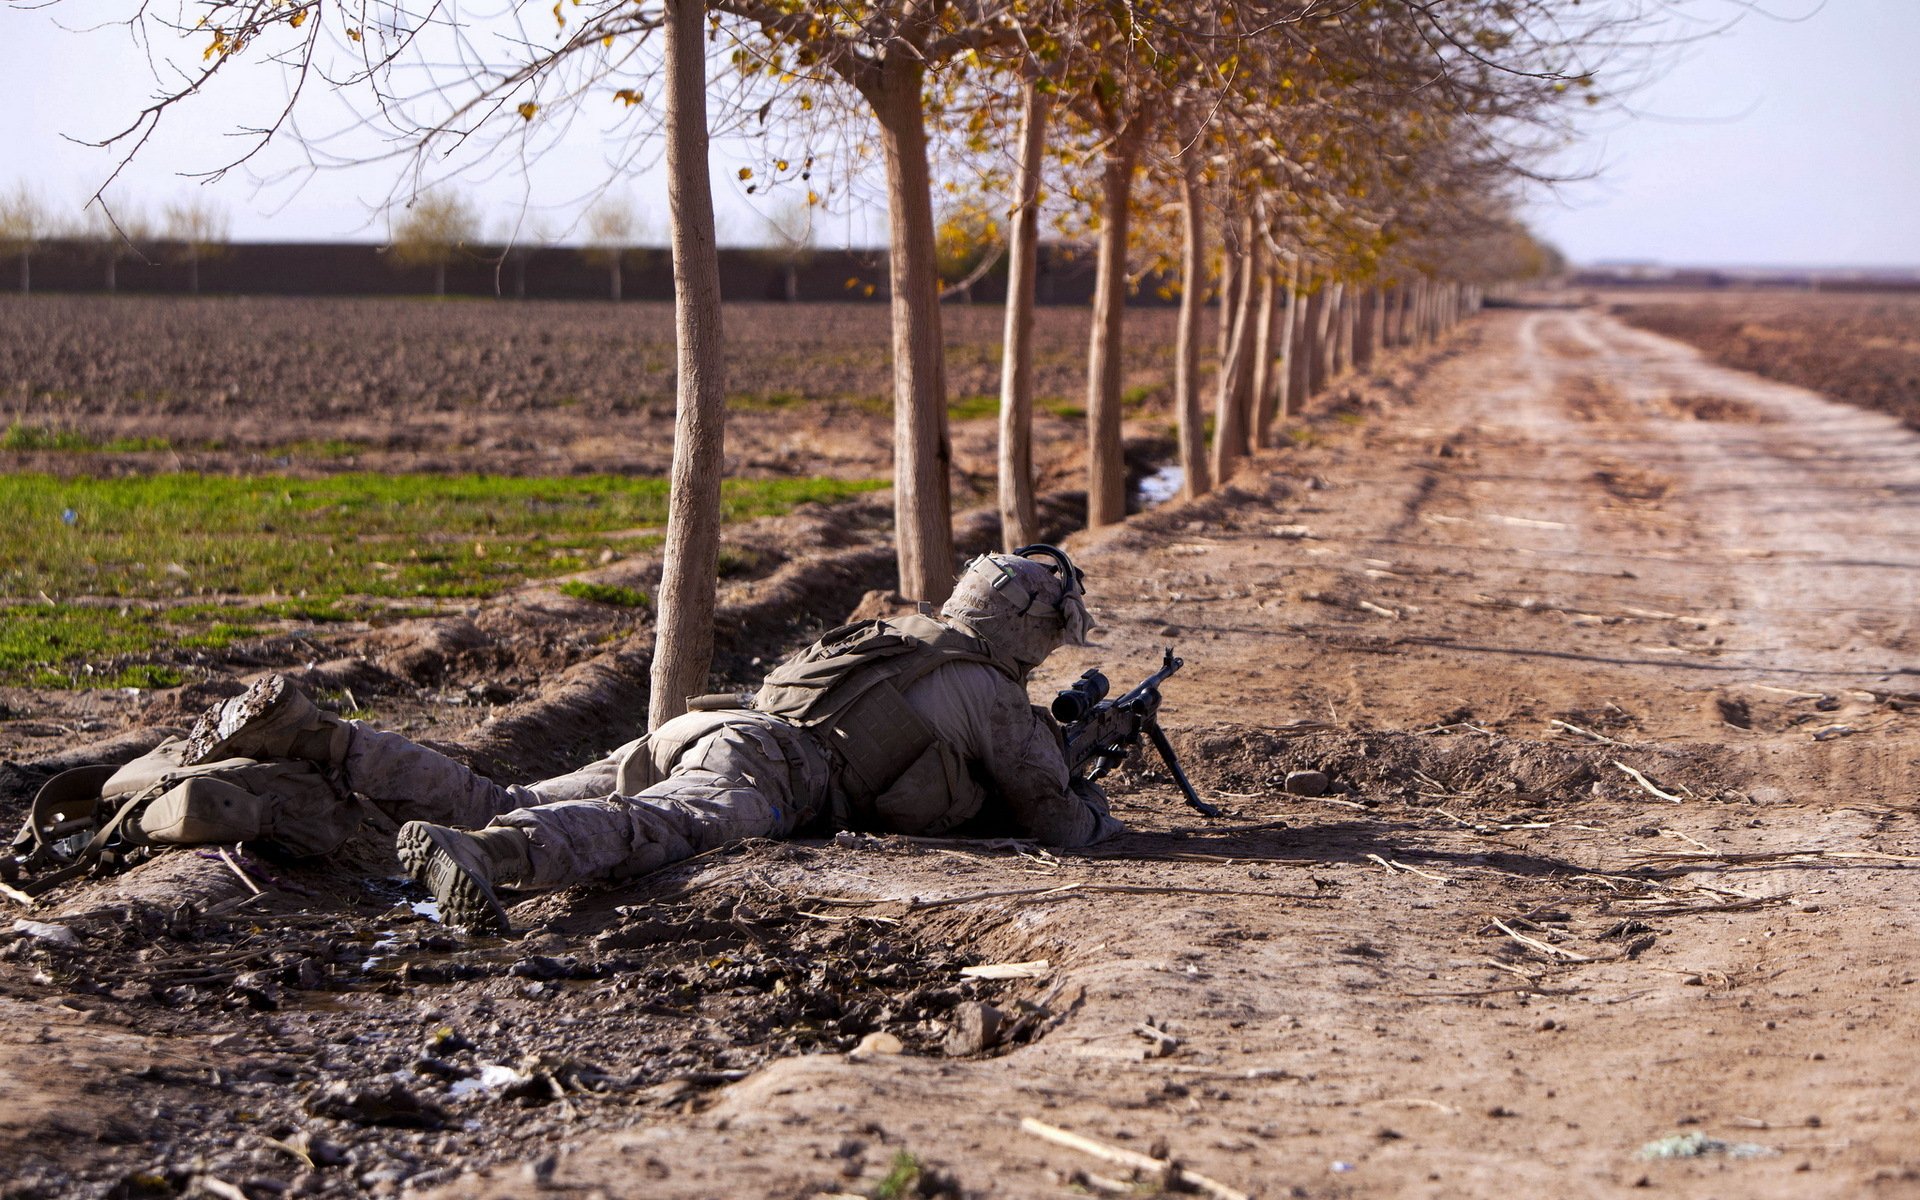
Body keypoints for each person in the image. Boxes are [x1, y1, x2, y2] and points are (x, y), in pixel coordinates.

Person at [181, 545, 1121, 934]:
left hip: (710, 723)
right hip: (770, 770)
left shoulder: (907, 634)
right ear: (1031, 631)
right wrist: (1093, 794)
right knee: (647, 830)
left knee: (508, 787)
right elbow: (1059, 829)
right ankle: (487, 858)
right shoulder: (996, 697)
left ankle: (318, 739)